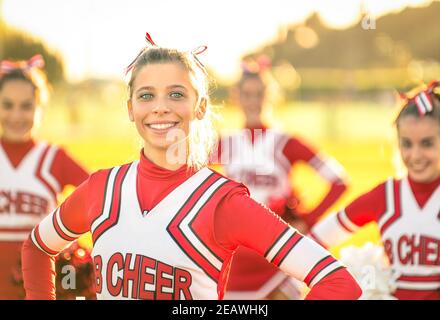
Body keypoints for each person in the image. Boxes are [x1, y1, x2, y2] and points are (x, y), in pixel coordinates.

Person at [21, 33, 362, 300]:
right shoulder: (102, 188)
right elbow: (37, 247)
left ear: (200, 107)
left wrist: (310, 219)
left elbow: (338, 281)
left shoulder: (222, 202)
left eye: (176, 94)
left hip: (266, 277)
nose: (160, 108)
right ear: (129, 108)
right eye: (146, 95)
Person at [213, 57, 348, 299]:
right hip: (236, 261)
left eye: (259, 94)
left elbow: (339, 181)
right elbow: (182, 174)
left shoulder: (286, 142)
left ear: (270, 95)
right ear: (236, 97)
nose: (253, 101)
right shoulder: (226, 142)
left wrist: (306, 221)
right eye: (247, 94)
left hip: (279, 261)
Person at [309, 81, 440, 300]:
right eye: (407, 144)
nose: (415, 155)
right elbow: (316, 239)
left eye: (427, 143)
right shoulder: (385, 196)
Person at [0, 55, 89, 299]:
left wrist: (71, 245)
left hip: (39, 289)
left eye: (26, 106)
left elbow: (102, 197)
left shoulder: (54, 157)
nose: (16, 115)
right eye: (7, 105)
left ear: (40, 107)